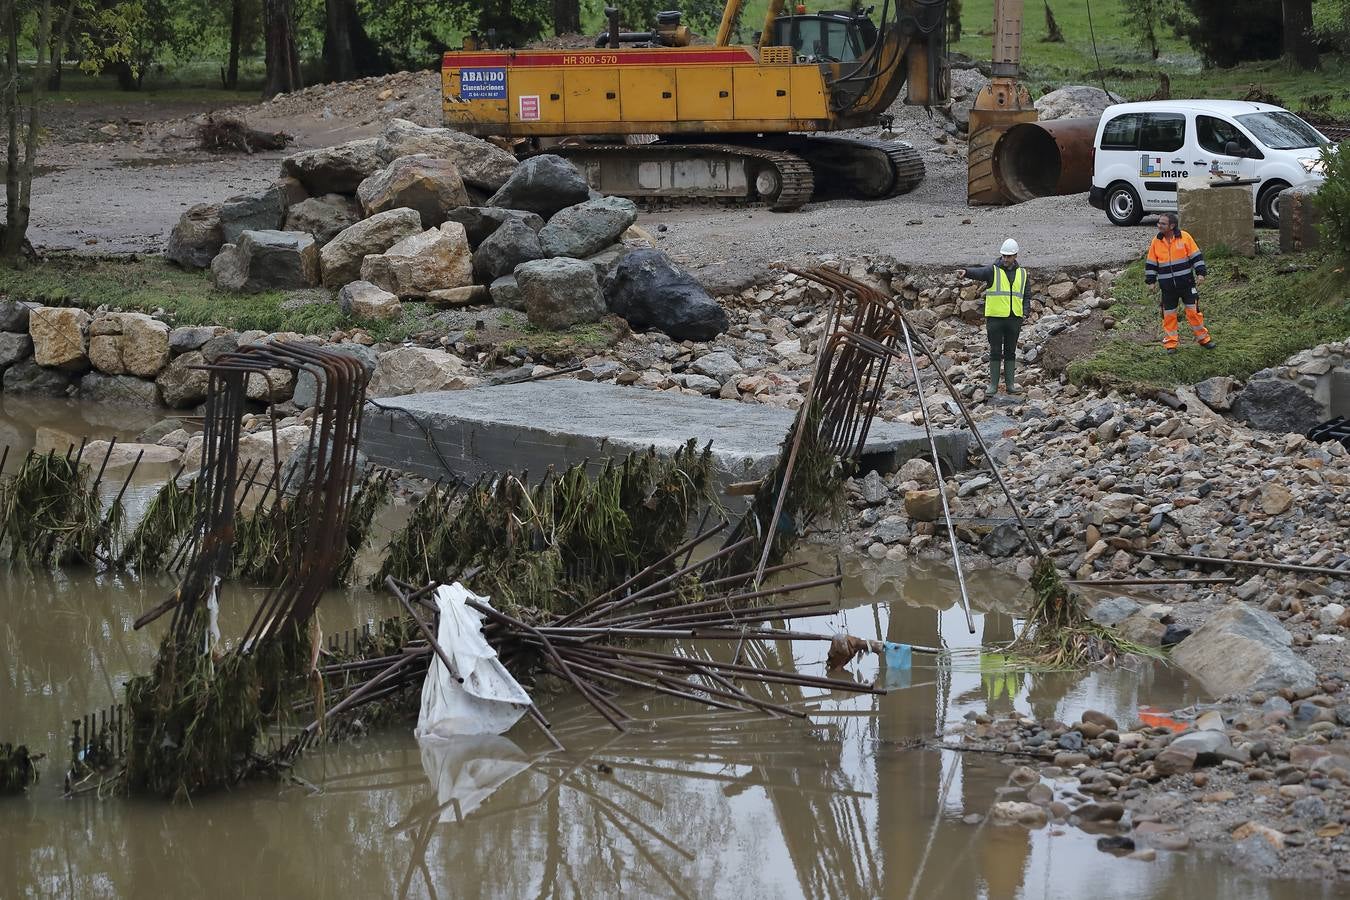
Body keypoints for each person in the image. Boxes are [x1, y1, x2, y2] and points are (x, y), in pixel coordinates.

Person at [958, 238, 1029, 396]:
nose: (1005, 259)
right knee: (995, 351)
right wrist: (967, 271)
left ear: (1015, 256)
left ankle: (1010, 384)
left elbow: (1026, 295)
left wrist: (1025, 311)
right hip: (995, 319)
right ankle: (993, 385)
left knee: (1010, 351)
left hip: (1014, 318)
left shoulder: (1022, 274)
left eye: (1008, 256)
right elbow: (980, 272)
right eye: (1003, 256)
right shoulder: (993, 270)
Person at [1145, 212, 1215, 353]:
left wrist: (1201, 273)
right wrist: (1151, 282)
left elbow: (1196, 257)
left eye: (1163, 223)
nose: (1159, 225)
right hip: (1167, 288)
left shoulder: (1185, 237)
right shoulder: (1156, 241)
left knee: (1194, 313)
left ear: (1172, 225)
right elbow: (1151, 263)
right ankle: (1171, 344)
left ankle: (1204, 339)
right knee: (1169, 316)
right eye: (1159, 222)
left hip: (1187, 284)